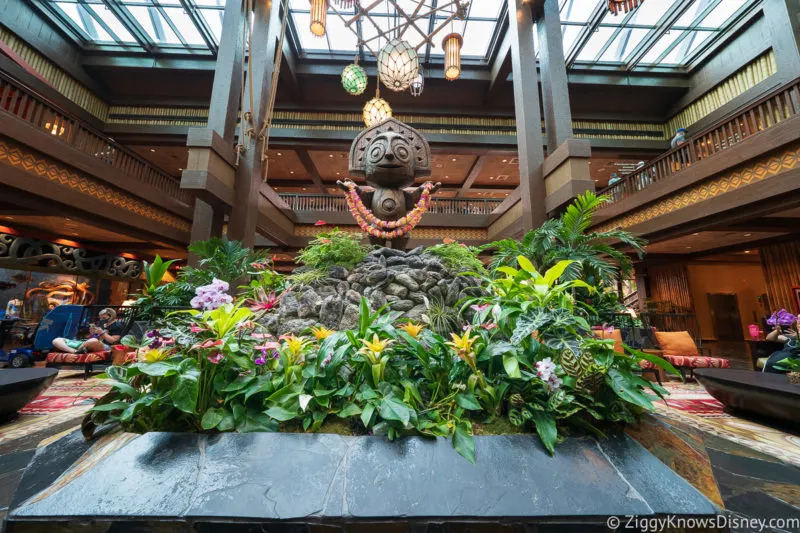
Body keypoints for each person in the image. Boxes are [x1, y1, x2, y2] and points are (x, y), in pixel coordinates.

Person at [51, 308, 125, 354]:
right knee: (56, 340)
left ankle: (78, 349)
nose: (102, 319)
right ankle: (74, 351)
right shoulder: (102, 324)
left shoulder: (117, 325)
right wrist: (92, 332)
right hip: (87, 343)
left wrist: (102, 333)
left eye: (104, 317)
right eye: (101, 318)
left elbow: (113, 341)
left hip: (105, 346)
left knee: (93, 340)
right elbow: (91, 337)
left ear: (111, 316)